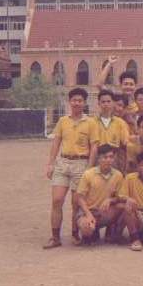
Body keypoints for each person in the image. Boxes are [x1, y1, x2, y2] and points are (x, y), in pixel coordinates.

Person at [44, 87, 99, 249]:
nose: (76, 103)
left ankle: (75, 233)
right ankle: (55, 237)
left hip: (81, 164)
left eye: (80, 100)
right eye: (74, 100)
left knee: (76, 203)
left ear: (84, 103)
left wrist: (89, 168)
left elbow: (94, 147)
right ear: (70, 102)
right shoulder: (63, 121)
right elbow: (56, 143)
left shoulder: (91, 122)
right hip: (63, 162)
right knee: (57, 200)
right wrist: (51, 163)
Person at [74, 144, 125, 245]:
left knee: (124, 206)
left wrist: (110, 200)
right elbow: (79, 197)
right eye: (105, 157)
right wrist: (88, 214)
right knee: (87, 228)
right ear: (98, 159)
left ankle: (113, 232)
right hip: (88, 211)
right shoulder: (88, 174)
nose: (108, 160)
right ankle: (91, 232)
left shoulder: (118, 175)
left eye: (111, 157)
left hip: (105, 212)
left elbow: (121, 197)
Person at [92, 89, 131, 170]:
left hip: (114, 159)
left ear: (113, 103)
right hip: (97, 157)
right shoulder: (91, 121)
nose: (106, 104)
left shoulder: (120, 123)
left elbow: (126, 143)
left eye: (108, 101)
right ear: (98, 103)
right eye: (103, 102)